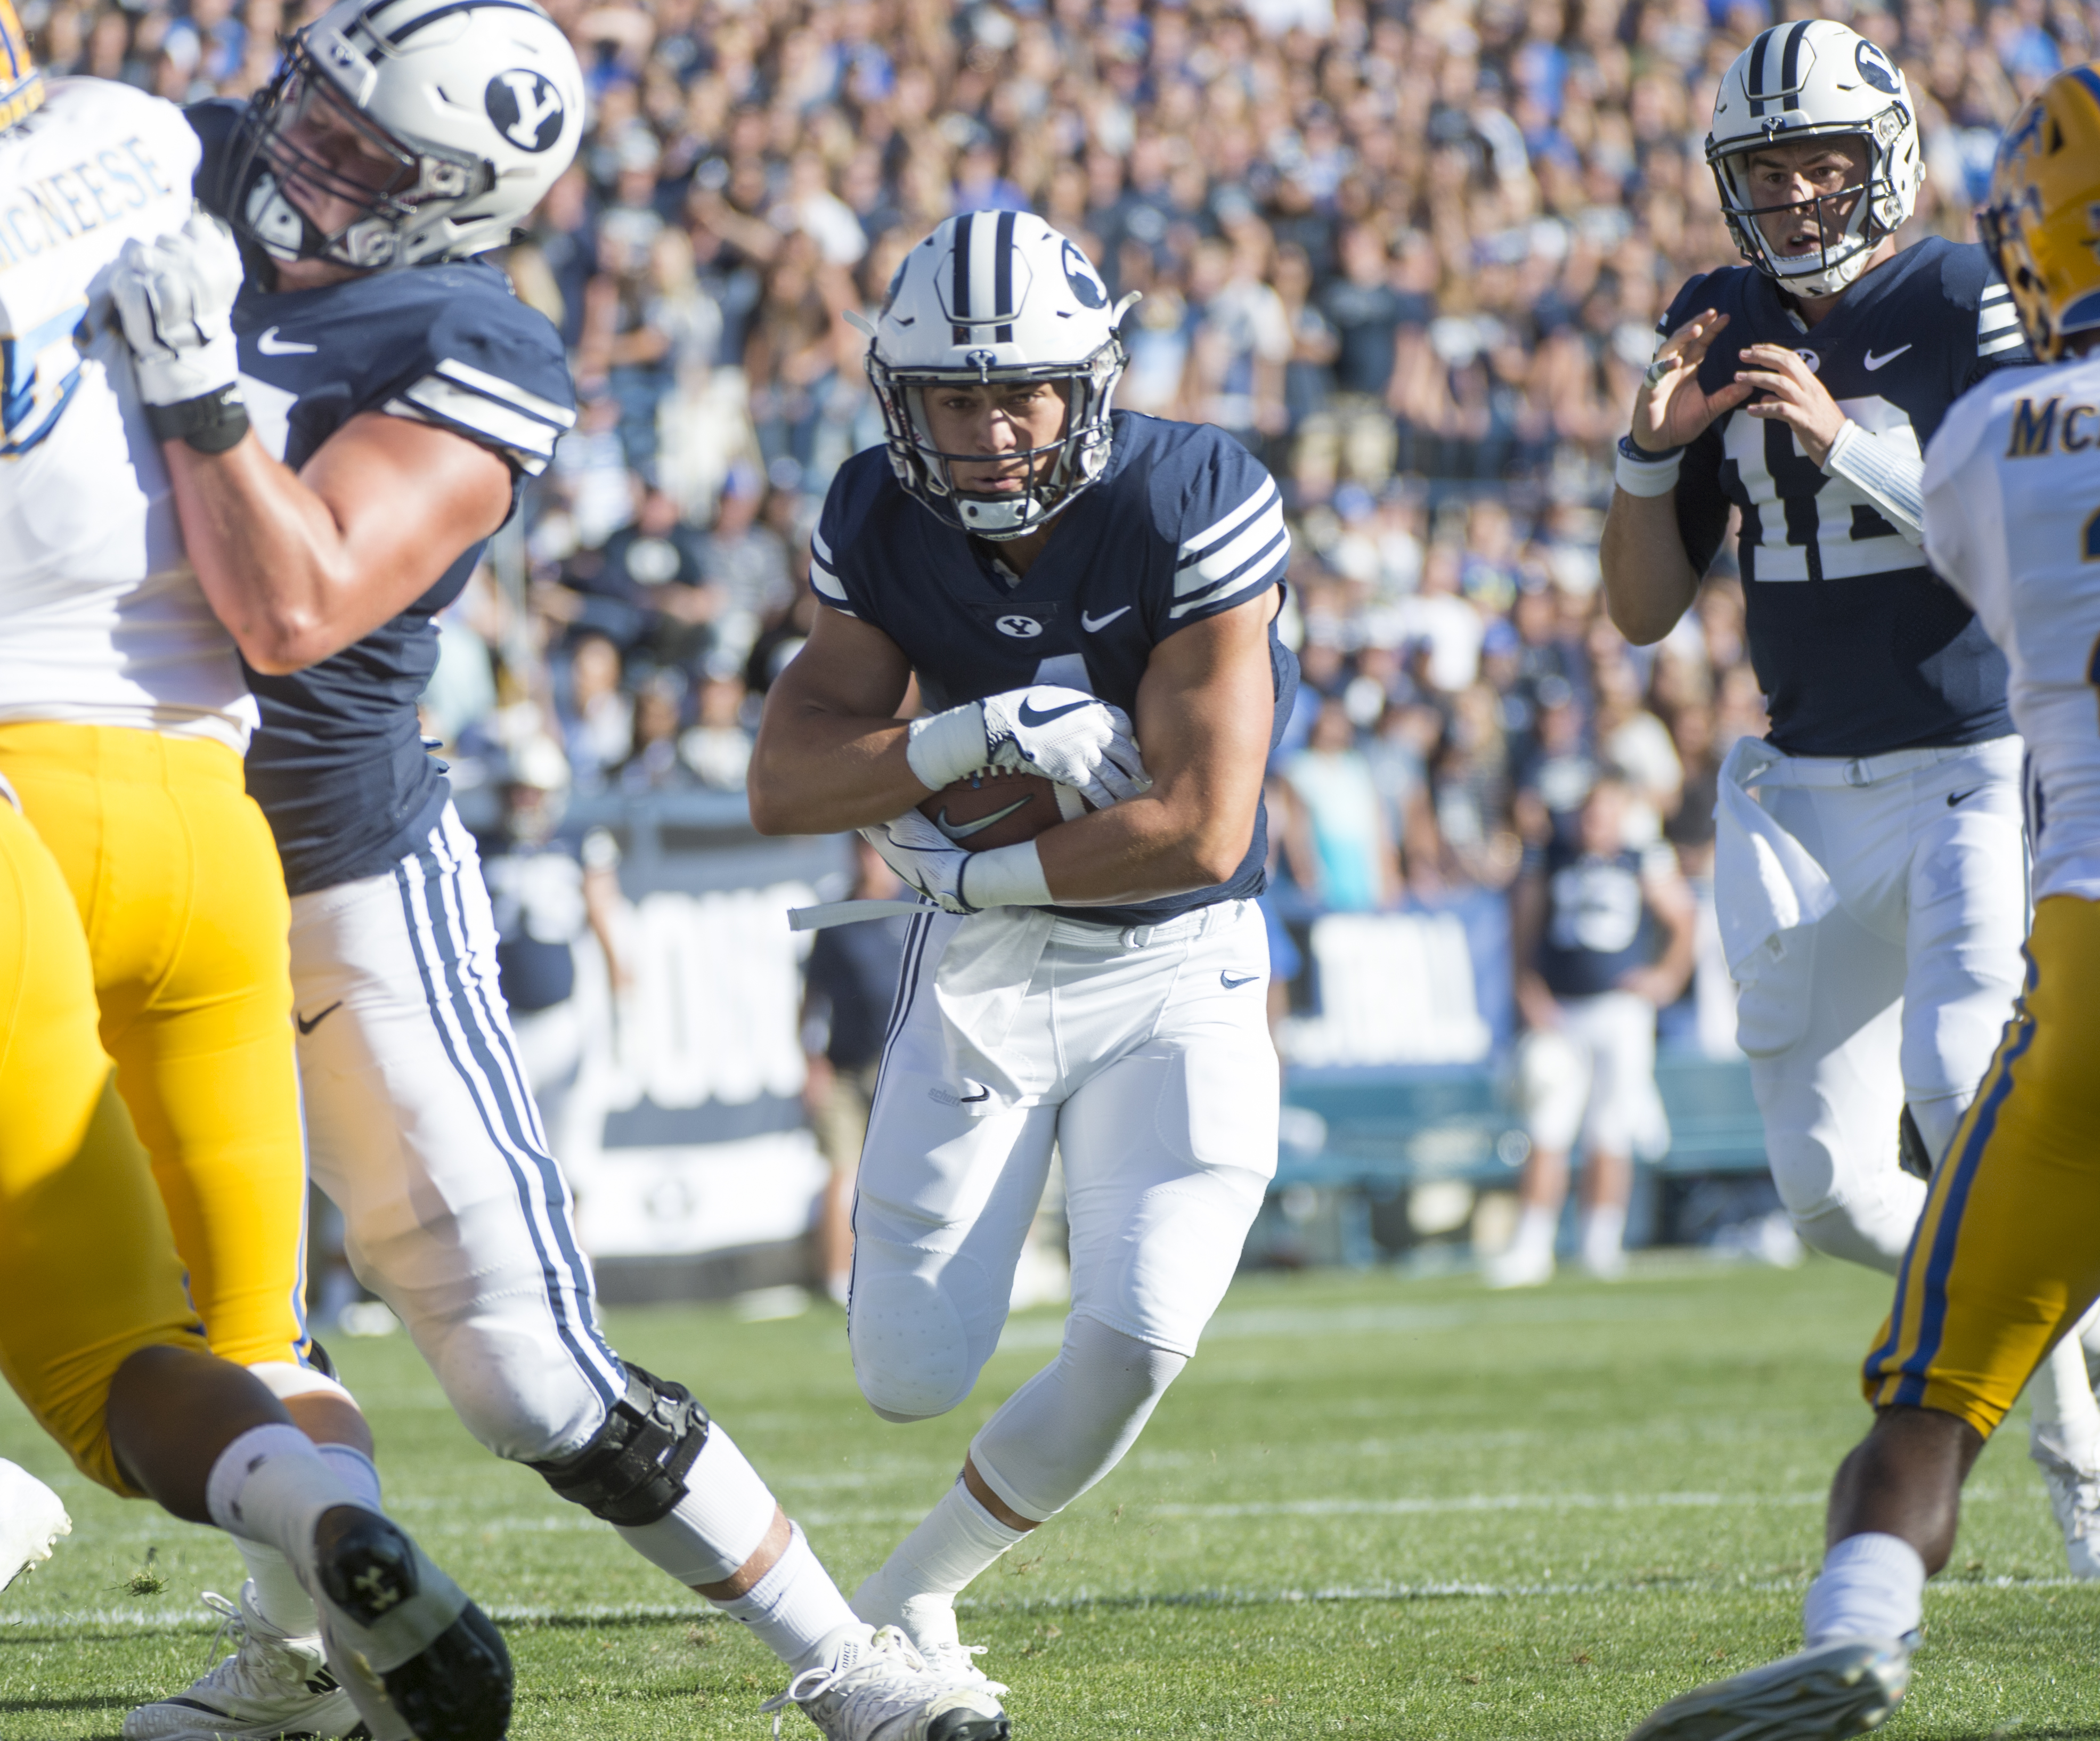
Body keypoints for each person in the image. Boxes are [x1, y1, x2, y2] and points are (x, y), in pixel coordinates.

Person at [104, 5, 1007, 1738]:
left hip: (326, 867)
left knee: (519, 1364)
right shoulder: (173, 166)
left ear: (459, 200)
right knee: (224, 1321)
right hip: (113, 850)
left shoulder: (474, 337)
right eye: (315, 110)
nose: (307, 159)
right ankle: (297, 1653)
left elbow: (294, 605)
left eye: (368, 157)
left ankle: (847, 1659)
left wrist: (199, 393)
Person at [0, 19, 507, 1737]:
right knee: (260, 1325)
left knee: (101, 1365)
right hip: (213, 818)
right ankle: (332, 1603)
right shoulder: (131, 139)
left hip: (20, 809)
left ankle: (95, 1511)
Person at [749, 211, 1297, 1687]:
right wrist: (961, 731)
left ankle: (913, 1592)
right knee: (904, 1374)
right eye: (950, 396)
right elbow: (783, 782)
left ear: (1087, 384)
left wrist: (969, 867)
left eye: (1019, 393)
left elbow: (1194, 824)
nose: (987, 430)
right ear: (897, 396)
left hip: (1178, 959)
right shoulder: (876, 509)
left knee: (1136, 1331)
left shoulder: (1190, 494)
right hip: (987, 983)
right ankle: (905, 1565)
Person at [1631, 61, 2100, 1739]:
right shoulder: (1725, 310)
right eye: (1776, 165)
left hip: (1979, 778)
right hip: (1819, 789)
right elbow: (1643, 600)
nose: (1803, 193)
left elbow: (2014, 540)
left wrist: (1853, 444)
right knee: (1837, 1191)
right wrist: (1647, 454)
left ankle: (2007, 1500)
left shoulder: (1979, 337)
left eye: (1831, 161)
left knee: (1968, 1099)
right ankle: (2043, 1324)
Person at [1490, 772, 1695, 1287]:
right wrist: (1529, 993)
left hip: (1620, 1012)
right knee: (1548, 1127)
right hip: (1563, 1011)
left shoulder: (1643, 857)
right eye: (1589, 812)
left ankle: (1600, 1245)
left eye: (1606, 812)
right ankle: (1532, 1246)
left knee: (1611, 1129)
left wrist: (1667, 977)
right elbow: (1522, 929)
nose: (1595, 823)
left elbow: (1684, 919)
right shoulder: (1550, 856)